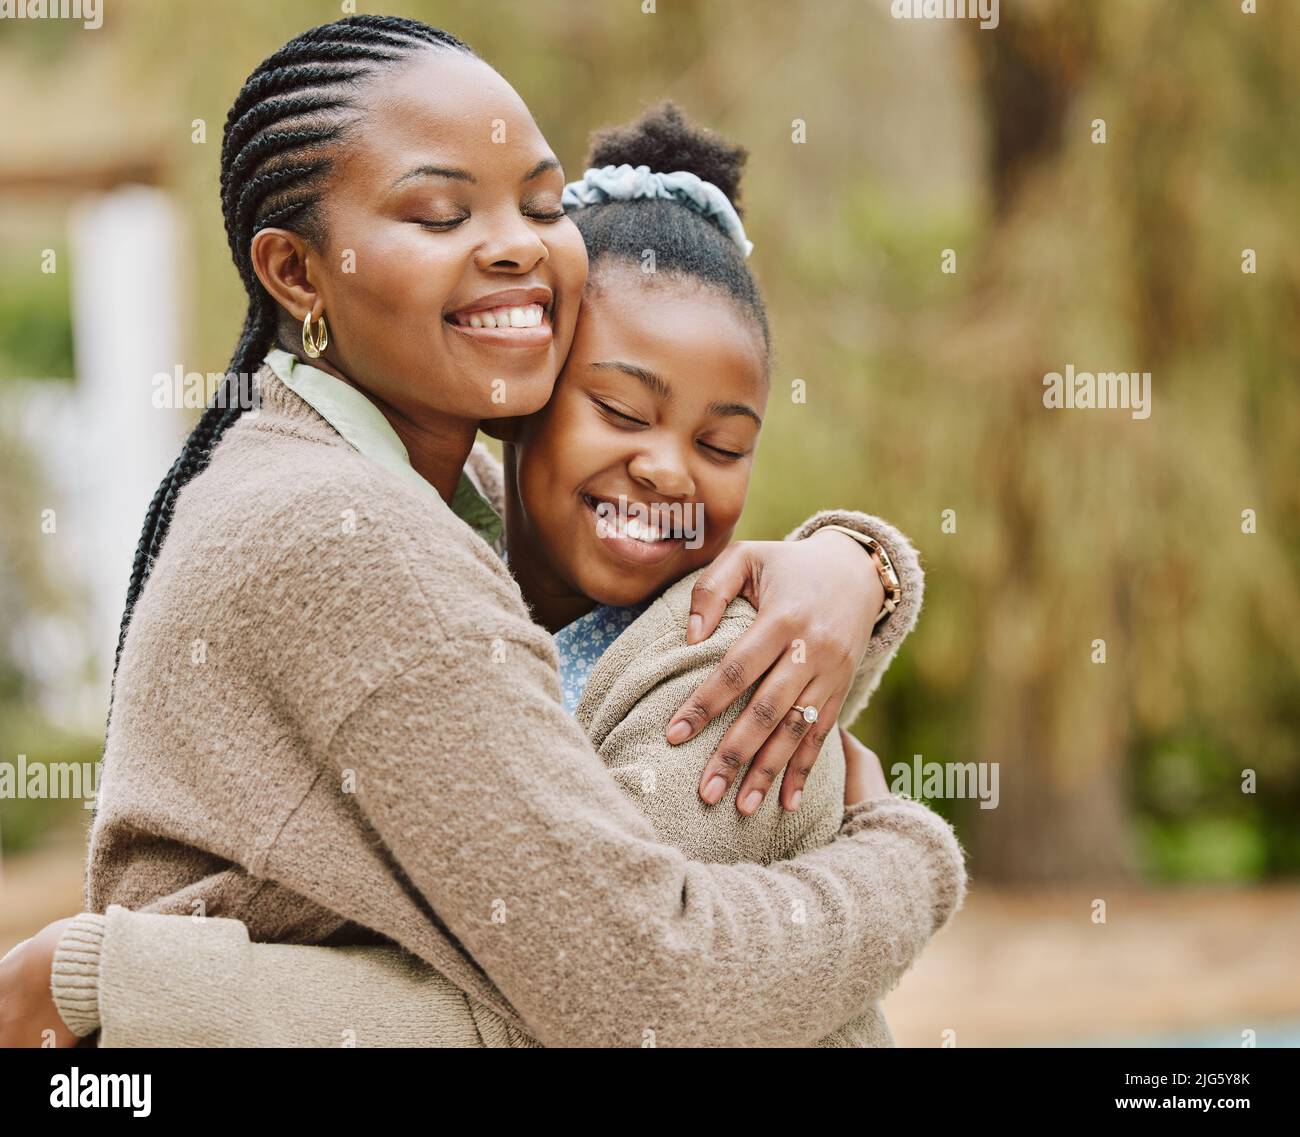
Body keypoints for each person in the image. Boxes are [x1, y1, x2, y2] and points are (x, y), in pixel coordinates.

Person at [0, 16, 964, 1049]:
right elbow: (647, 998)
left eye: (540, 203)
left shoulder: (431, 489)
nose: (513, 243)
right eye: (438, 211)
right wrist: (903, 855)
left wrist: (856, 562)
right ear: (296, 273)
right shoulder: (350, 535)